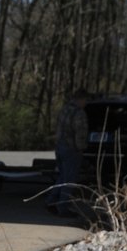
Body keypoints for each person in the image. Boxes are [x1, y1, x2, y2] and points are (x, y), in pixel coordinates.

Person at [48, 88, 89, 217]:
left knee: (62, 177)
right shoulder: (79, 113)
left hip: (60, 147)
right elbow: (80, 133)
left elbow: (57, 129)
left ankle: (51, 201)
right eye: (85, 100)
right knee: (69, 180)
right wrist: (81, 148)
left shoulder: (64, 110)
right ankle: (63, 207)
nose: (86, 103)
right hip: (72, 149)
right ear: (81, 99)